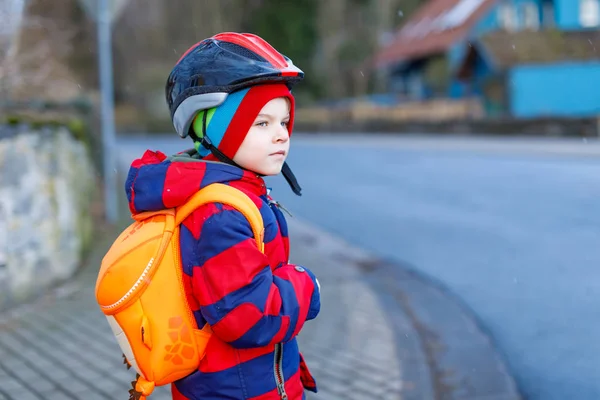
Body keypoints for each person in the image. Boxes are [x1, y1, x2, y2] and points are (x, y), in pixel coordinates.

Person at [124, 32, 321, 400]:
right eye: (261, 123)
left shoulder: (237, 194)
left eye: (284, 121)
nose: (281, 136)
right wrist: (307, 287)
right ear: (214, 130)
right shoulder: (221, 214)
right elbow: (249, 317)